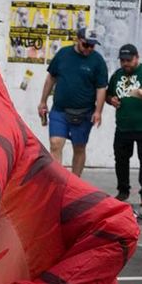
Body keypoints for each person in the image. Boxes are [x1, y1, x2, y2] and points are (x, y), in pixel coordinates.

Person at [37, 28, 108, 178]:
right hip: (60, 110)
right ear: (77, 39)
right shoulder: (63, 54)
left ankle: (74, 183)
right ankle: (57, 181)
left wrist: (98, 111)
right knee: (55, 143)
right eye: (85, 45)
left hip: (84, 112)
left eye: (92, 46)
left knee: (79, 147)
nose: (89, 49)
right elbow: (51, 78)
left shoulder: (98, 61)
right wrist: (43, 101)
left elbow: (101, 88)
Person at [106, 43, 142, 206]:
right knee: (121, 159)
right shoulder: (117, 74)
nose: (125, 63)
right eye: (123, 60)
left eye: (129, 60)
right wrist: (111, 100)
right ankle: (123, 191)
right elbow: (108, 94)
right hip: (123, 126)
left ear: (137, 58)